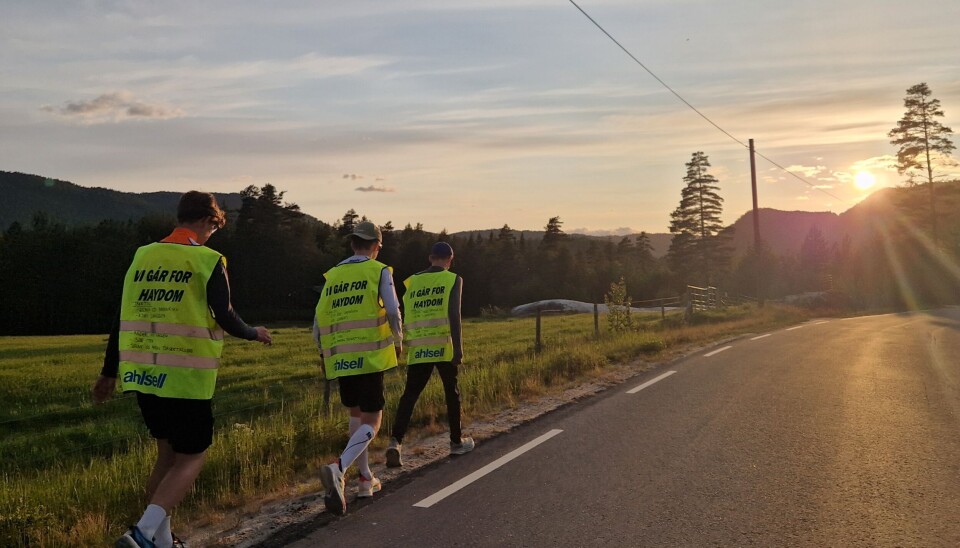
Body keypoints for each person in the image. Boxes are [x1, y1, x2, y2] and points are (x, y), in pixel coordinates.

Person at [91, 191, 272, 548]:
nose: (211, 235)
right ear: (208, 220)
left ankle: (162, 540)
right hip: (186, 377)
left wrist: (108, 371)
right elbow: (225, 315)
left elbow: (122, 318)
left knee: (166, 456)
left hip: (143, 375)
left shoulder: (143, 255)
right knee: (193, 456)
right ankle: (142, 533)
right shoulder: (207, 259)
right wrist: (255, 333)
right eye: (214, 228)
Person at [313, 220, 402, 516]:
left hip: (340, 356)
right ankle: (340, 467)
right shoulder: (379, 270)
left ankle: (365, 480)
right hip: (370, 354)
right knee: (373, 419)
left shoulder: (334, 274)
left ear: (353, 244)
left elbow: (317, 320)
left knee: (355, 414)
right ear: (376, 246)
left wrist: (323, 351)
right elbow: (391, 309)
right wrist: (398, 339)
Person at [386, 241, 473, 468]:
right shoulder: (453, 279)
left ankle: (395, 441)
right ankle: (456, 442)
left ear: (430, 257)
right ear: (450, 259)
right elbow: (454, 315)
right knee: (451, 394)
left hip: (419, 346)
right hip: (443, 346)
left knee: (410, 396)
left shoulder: (412, 282)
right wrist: (458, 349)